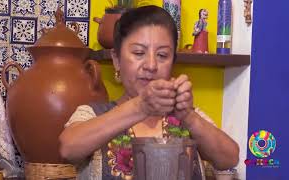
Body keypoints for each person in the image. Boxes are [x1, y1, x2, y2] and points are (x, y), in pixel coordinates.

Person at [59, 5, 239, 180]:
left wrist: (188, 116)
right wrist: (140, 106)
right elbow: (68, 148)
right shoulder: (92, 114)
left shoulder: (188, 118)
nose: (151, 65)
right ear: (116, 60)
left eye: (162, 55)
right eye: (139, 53)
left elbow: (229, 158)